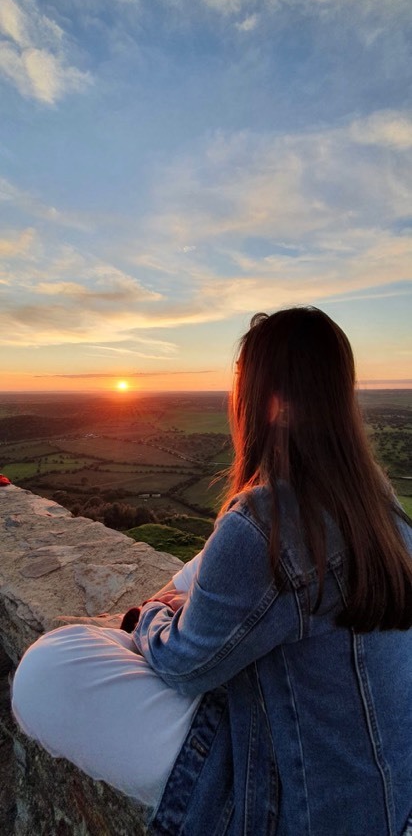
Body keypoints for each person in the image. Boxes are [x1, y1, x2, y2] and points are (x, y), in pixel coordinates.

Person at [11, 307, 412, 835]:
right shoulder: (380, 506)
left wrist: (151, 615)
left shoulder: (266, 523)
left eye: (244, 384)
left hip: (302, 807)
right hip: (380, 799)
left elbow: (183, 668)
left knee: (47, 669)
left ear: (278, 405)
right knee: (212, 564)